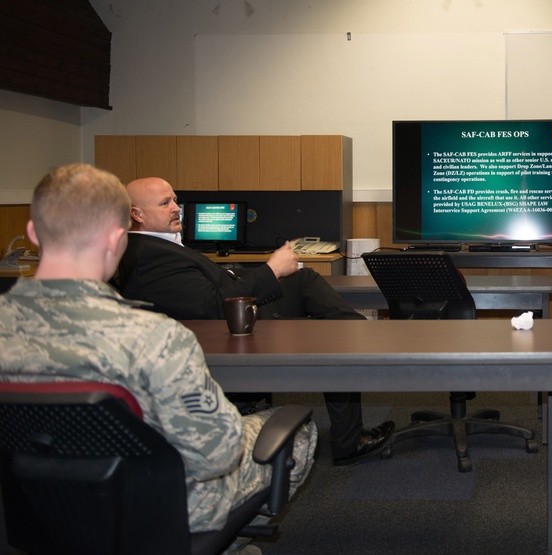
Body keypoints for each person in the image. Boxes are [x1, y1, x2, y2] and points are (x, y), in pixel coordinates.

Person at [0, 163, 317, 544]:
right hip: (157, 507)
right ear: (118, 238)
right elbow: (217, 455)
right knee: (296, 430)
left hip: (38, 504)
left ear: (33, 233)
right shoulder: (156, 338)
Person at [115, 176, 393, 466]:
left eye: (174, 199)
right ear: (137, 214)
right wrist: (271, 269)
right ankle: (357, 401)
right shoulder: (149, 257)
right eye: (165, 203)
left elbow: (211, 289)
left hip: (237, 311)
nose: (176, 208)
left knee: (306, 282)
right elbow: (214, 307)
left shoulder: (158, 245)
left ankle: (362, 342)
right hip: (235, 326)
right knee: (334, 334)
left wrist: (264, 271)